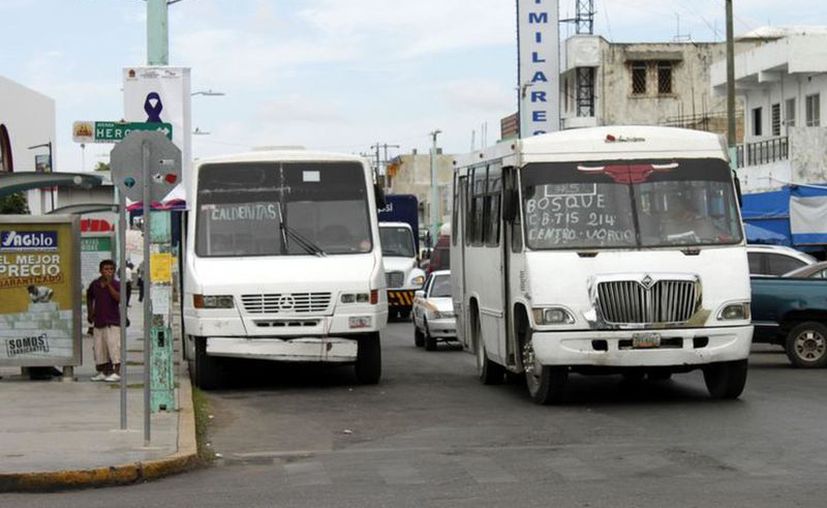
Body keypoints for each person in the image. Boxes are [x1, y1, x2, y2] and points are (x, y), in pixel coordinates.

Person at [86, 259, 122, 382]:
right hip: (99, 321)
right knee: (100, 348)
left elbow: (118, 298)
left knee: (114, 347)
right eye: (106, 269)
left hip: (112, 321)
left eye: (111, 269)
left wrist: (109, 285)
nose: (108, 272)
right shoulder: (95, 284)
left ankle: (116, 371)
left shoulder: (116, 284)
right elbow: (89, 296)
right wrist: (90, 312)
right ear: (101, 271)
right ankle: (103, 371)